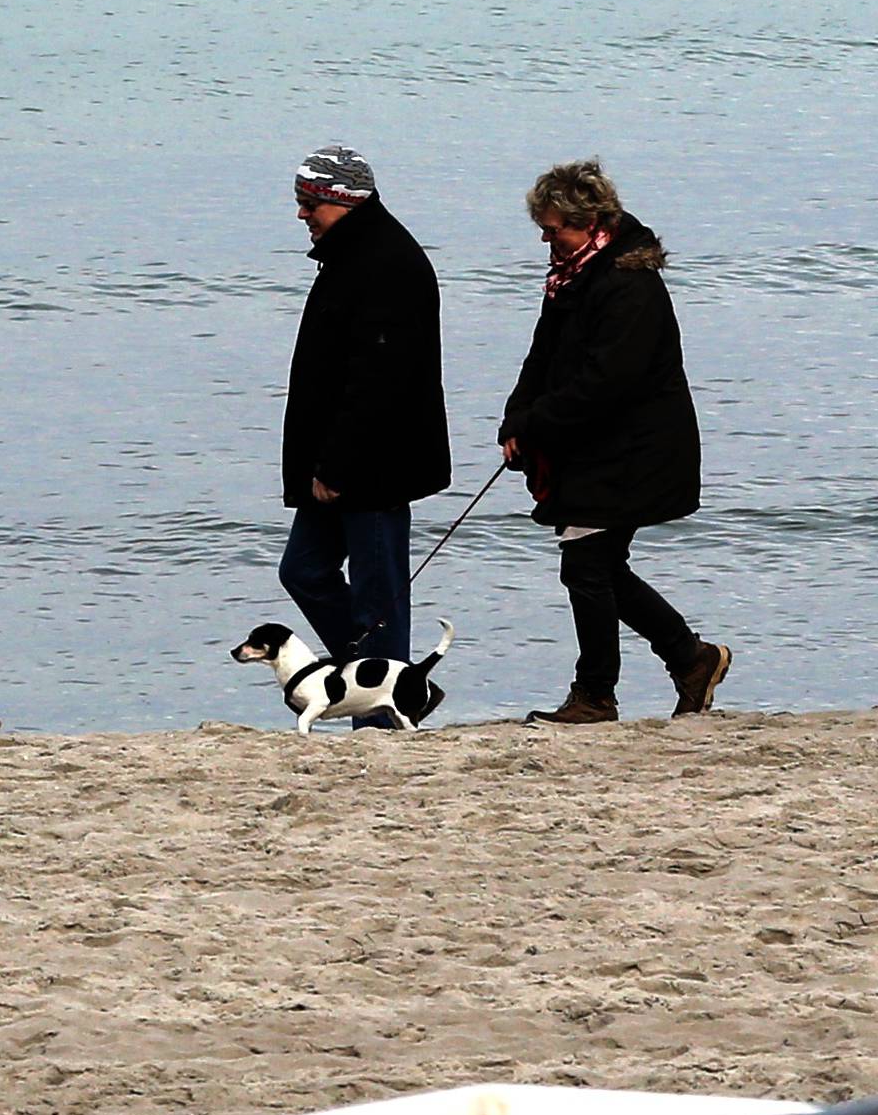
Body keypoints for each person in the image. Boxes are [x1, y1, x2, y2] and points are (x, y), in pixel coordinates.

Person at [499, 159, 730, 725]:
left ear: (591, 221)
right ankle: (690, 658)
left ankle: (596, 694)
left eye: (555, 229)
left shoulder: (629, 284)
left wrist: (537, 423)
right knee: (599, 566)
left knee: (588, 566)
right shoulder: (573, 276)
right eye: (544, 229)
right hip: (593, 444)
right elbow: (543, 359)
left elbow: (607, 382)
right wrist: (516, 419)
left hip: (634, 449)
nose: (546, 239)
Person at [279, 145, 451, 710]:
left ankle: (386, 704)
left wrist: (337, 465)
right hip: (340, 455)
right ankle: (397, 684)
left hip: (374, 462)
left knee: (377, 592)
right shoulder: (348, 253)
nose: (302, 215)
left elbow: (378, 379)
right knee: (304, 571)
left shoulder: (386, 263)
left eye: (310, 204)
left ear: (342, 201)